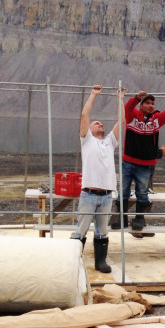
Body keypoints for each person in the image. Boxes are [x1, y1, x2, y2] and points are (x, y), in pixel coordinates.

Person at [70, 85, 125, 274]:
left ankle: (100, 262)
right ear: (89, 129)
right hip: (89, 194)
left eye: (101, 123)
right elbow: (84, 117)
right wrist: (93, 95)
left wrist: (120, 99)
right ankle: (73, 262)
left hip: (106, 195)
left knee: (103, 230)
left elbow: (122, 121)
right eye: (97, 123)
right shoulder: (87, 140)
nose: (100, 124)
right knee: (81, 229)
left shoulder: (110, 141)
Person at [111, 90, 165, 231]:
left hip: (145, 165)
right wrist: (137, 98)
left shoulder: (156, 120)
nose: (151, 105)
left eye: (153, 103)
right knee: (123, 191)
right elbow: (126, 108)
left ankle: (139, 218)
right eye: (148, 103)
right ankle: (122, 218)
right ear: (141, 105)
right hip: (128, 162)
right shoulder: (132, 117)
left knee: (142, 192)